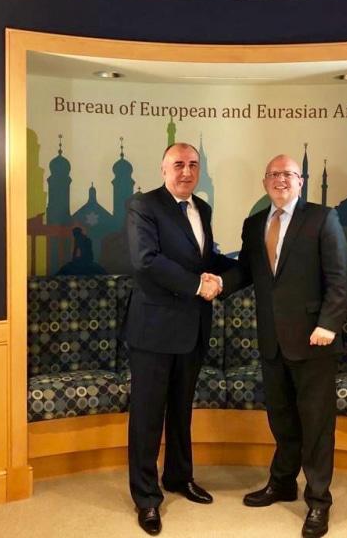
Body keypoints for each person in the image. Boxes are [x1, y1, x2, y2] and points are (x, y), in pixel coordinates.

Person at [220, 154, 347, 538]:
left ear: (301, 181)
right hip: (272, 340)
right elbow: (246, 271)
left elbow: (340, 279)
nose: (281, 180)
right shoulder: (254, 224)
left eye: (289, 174)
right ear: (265, 182)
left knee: (316, 425)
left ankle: (319, 501)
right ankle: (282, 482)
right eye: (274, 174)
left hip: (314, 339)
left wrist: (328, 324)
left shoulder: (322, 218)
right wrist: (219, 284)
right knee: (281, 417)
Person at [124, 142, 230, 536]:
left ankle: (179, 477)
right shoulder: (143, 205)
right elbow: (146, 260)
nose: (186, 171)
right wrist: (198, 286)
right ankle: (146, 498)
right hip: (154, 330)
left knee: (182, 410)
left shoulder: (203, 208)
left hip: (193, 328)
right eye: (179, 164)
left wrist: (242, 271)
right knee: (148, 416)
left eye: (193, 164)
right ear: (164, 168)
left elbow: (206, 261)